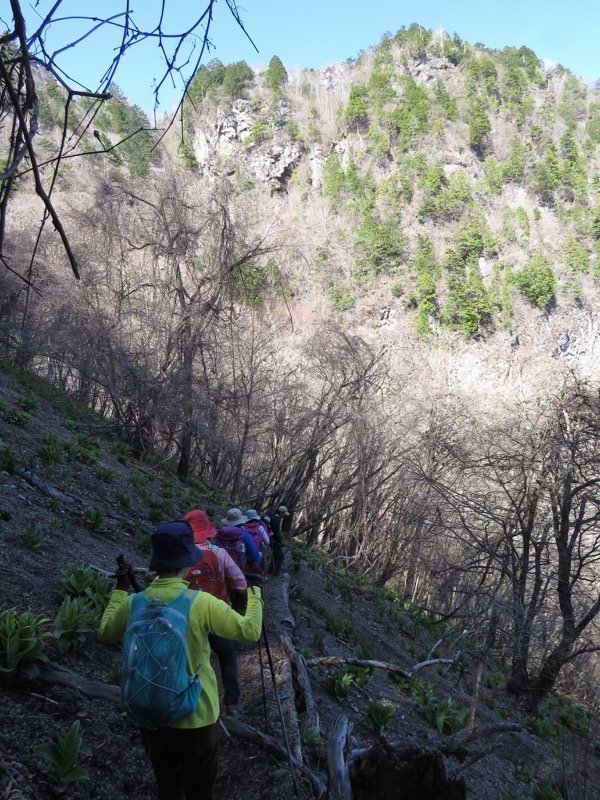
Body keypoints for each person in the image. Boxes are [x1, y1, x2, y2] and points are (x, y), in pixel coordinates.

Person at [98, 520, 263, 800]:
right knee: (200, 791)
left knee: (168, 787)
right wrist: (255, 593)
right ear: (187, 562)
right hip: (196, 716)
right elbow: (250, 631)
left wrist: (120, 590)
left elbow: (105, 633)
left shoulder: (135, 602)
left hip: (150, 713)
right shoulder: (200, 603)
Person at [183, 509, 247, 717]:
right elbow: (240, 583)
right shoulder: (219, 553)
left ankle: (190, 701)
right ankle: (231, 702)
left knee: (193, 660)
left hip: (188, 619)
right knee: (227, 655)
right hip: (217, 616)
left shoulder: (179, 558)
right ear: (208, 531)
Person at [267, 504, 290, 576]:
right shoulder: (277, 520)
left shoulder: (272, 517)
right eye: (283, 514)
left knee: (275, 554)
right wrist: (280, 542)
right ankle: (275, 573)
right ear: (280, 513)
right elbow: (276, 533)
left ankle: (270, 570)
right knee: (280, 556)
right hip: (273, 540)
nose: (284, 516)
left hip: (269, 538)